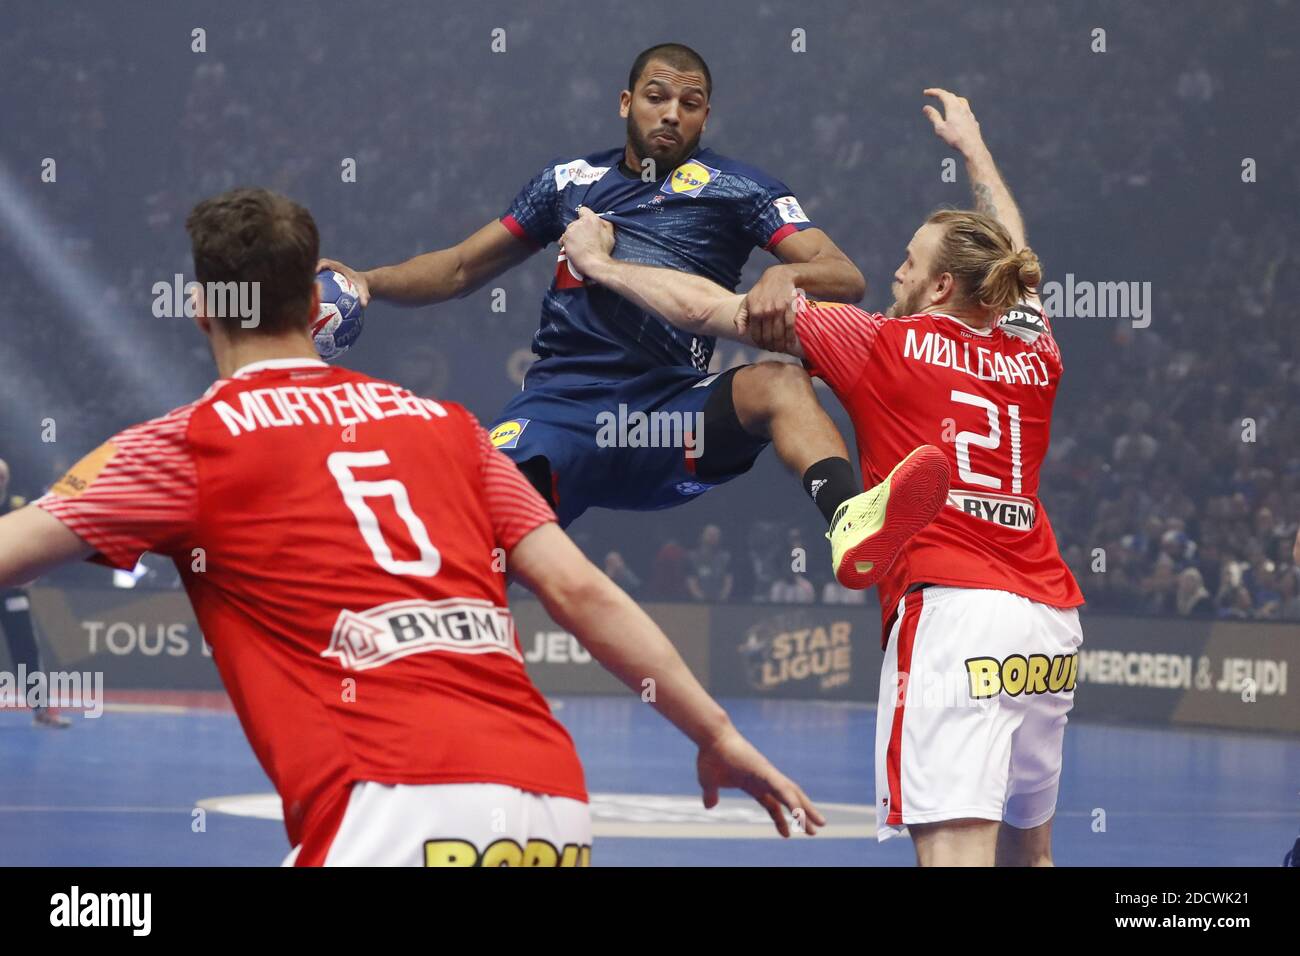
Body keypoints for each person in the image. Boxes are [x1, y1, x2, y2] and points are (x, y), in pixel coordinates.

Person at [0, 187, 823, 866]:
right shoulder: (450, 428)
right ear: (317, 301)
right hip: (552, 810)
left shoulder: (186, 442)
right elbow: (579, 588)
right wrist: (714, 732)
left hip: (388, 815)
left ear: (201, 312)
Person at [560, 89, 1086, 867]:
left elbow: (709, 309)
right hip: (1051, 626)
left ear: (942, 288)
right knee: (1030, 859)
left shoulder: (882, 345)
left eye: (910, 263)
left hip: (955, 619)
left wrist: (603, 263)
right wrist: (974, 150)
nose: (896, 273)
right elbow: (1008, 248)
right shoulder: (1034, 347)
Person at [320, 42, 948, 589]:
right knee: (479, 539)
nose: (672, 112)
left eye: (691, 102)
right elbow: (461, 268)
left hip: (669, 415)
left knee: (781, 382)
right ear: (627, 103)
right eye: (656, 97)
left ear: (706, 116)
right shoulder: (568, 182)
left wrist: (785, 272)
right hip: (557, 413)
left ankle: (849, 521)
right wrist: (368, 280)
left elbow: (846, 277)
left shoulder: (741, 189)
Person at [0, 459, 70, 728]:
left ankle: (41, 711)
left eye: (2, 476)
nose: (0, 480)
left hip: (12, 593)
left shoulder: (20, 507)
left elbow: (37, 543)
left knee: (26, 650)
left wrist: (33, 571)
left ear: (7, 479)